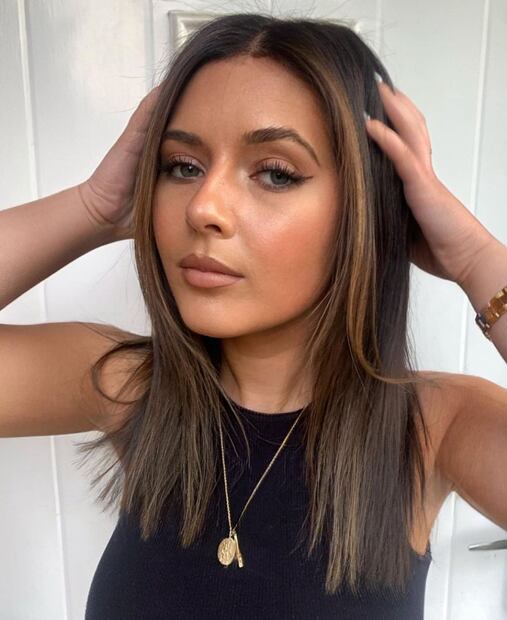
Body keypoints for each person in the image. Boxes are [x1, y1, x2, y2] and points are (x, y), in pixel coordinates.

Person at [1, 13, 506, 620]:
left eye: (275, 173)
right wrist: (94, 207)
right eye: (182, 166)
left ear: (362, 209)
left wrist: (476, 259)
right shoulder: (134, 389)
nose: (203, 207)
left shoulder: (434, 428)